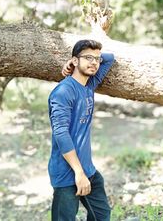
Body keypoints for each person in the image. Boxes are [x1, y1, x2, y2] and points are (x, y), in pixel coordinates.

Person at [48, 39, 115, 221]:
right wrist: (78, 173)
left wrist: (77, 60)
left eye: (96, 59)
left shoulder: (89, 85)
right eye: (88, 58)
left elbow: (110, 58)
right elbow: (61, 134)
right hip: (67, 173)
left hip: (88, 170)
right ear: (75, 61)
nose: (94, 62)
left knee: (101, 215)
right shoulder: (63, 92)